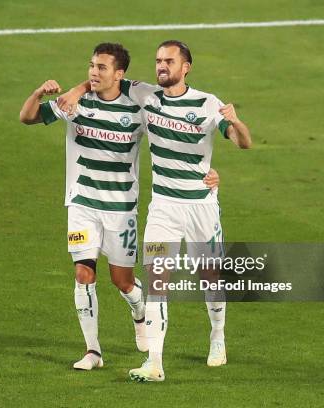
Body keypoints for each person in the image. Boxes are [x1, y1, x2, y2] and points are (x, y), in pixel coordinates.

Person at [58, 40, 252, 381]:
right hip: (162, 208)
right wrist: (75, 91)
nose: (161, 66)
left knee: (209, 276)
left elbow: (242, 142)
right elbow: (101, 79)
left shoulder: (207, 103)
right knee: (157, 280)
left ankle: (217, 335)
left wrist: (236, 123)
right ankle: (155, 362)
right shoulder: (146, 96)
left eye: (169, 61)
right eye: (158, 60)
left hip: (200, 207)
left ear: (185, 67)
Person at [19, 42, 221, 371]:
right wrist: (42, 92)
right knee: (83, 273)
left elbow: (177, 130)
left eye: (101, 68)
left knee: (122, 280)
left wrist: (207, 173)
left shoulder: (140, 106)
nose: (93, 73)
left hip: (121, 209)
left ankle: (139, 310)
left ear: (119, 74)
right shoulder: (74, 102)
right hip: (81, 205)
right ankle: (93, 351)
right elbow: (27, 117)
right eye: (91, 67)